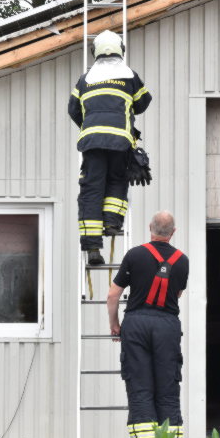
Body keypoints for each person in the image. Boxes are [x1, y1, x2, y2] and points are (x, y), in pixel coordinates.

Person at [106, 211, 189, 438]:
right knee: (167, 392)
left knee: (141, 391)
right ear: (173, 232)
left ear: (149, 227)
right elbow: (178, 294)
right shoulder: (182, 260)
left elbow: (113, 295)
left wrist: (115, 325)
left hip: (136, 324)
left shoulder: (134, 255)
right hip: (167, 326)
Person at [68, 30, 152, 265]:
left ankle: (93, 247)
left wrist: (90, 126)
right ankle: (112, 223)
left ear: (95, 52)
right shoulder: (129, 75)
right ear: (120, 50)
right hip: (120, 141)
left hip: (92, 142)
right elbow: (143, 102)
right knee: (117, 179)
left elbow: (73, 109)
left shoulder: (85, 79)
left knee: (91, 189)